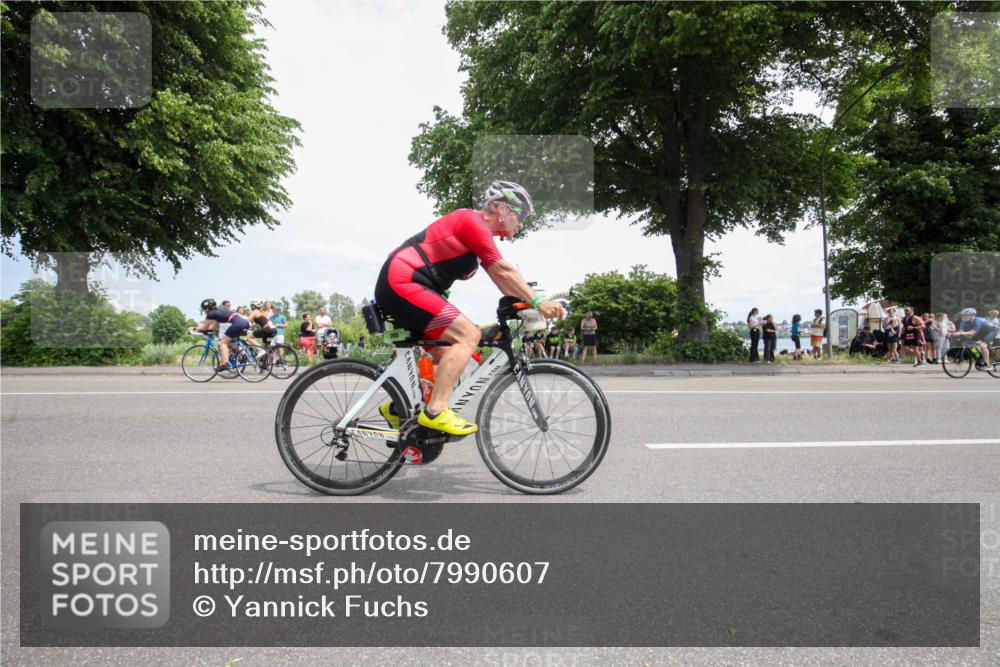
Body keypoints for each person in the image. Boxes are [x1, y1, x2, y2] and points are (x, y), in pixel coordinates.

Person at [373, 180, 563, 436]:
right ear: (502, 209)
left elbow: (501, 279)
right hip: (403, 280)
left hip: (410, 285)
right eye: (521, 215)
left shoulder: (477, 237)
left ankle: (397, 408)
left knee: (453, 359)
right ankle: (436, 412)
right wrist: (539, 302)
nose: (522, 223)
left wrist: (524, 305)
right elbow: (505, 269)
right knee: (468, 336)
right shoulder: (471, 221)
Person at [192, 298, 249, 370]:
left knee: (223, 343)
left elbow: (205, 327)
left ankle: (225, 363)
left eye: (203, 309)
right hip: (244, 323)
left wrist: (194, 329)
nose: (204, 311)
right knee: (230, 343)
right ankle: (243, 356)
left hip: (237, 324)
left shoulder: (211, 314)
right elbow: (213, 327)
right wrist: (209, 330)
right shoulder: (218, 312)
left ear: (207, 308)